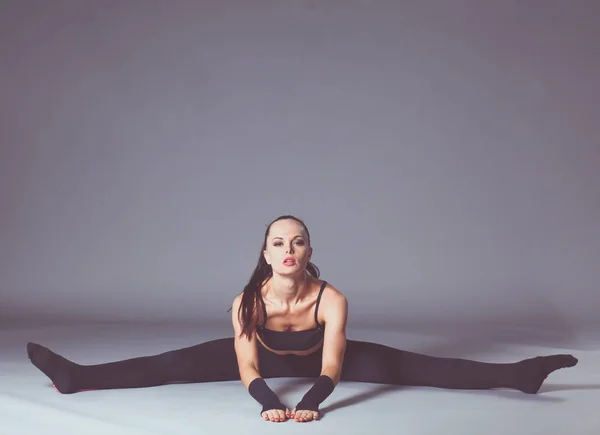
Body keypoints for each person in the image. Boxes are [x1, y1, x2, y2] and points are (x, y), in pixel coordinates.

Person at [26, 215, 578, 423]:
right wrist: (271, 403)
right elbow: (246, 365)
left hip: (320, 362)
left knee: (428, 367)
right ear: (265, 254)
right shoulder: (246, 301)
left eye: (297, 242)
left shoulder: (331, 298)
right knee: (167, 364)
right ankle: (75, 377)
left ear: (308, 251)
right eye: (277, 243)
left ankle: (519, 375)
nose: (287, 250)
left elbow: (334, 360)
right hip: (260, 359)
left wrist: (310, 402)